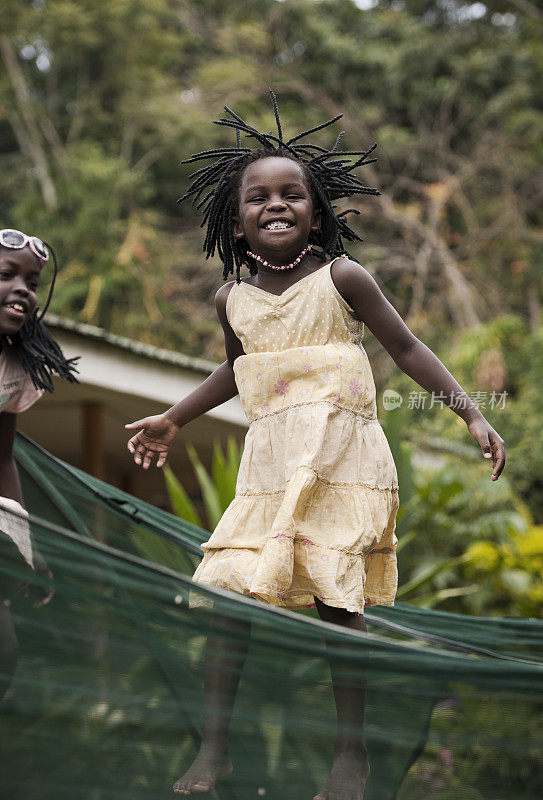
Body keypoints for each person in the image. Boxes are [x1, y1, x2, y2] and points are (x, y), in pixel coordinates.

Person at [126, 93, 505, 799]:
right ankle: (213, 749)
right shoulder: (230, 300)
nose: (275, 205)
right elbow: (234, 369)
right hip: (268, 471)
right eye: (258, 197)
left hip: (339, 464)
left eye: (291, 194)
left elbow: (406, 345)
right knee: (228, 599)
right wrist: (173, 417)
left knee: (338, 602)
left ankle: (348, 756)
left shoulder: (342, 279)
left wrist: (472, 416)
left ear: (316, 212)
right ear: (234, 221)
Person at [0, 228, 78, 702]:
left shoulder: (13, 368)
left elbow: (3, 458)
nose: (22, 289)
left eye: (31, 281)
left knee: (5, 653)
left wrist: (24, 547)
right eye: (7, 275)